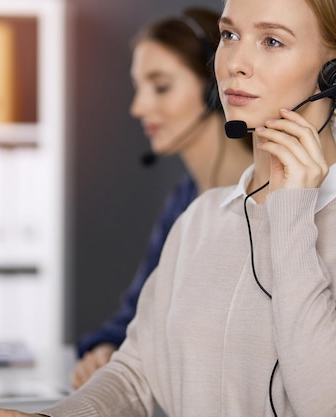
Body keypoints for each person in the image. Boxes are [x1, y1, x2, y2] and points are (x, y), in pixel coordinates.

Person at [0, 0, 336, 415]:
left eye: (272, 41)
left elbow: (333, 407)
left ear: (334, 69)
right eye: (230, 35)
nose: (235, 62)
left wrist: (292, 206)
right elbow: (135, 374)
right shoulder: (203, 216)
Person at [71, 7, 253, 389]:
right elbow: (137, 314)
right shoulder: (185, 199)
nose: (139, 107)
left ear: (212, 86)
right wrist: (106, 347)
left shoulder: (268, 198)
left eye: (161, 86)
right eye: (140, 87)